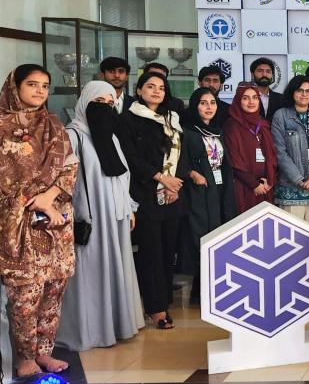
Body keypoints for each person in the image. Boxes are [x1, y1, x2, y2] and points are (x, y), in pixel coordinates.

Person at [0, 65, 78, 376]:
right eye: (32, 84)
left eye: (45, 86)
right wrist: (33, 201)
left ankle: (44, 352)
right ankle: (24, 358)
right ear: (15, 87)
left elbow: (70, 166)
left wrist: (49, 198)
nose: (39, 91)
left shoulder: (55, 125)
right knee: (25, 296)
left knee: (53, 290)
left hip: (55, 221)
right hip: (18, 224)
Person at [57, 81, 144, 351]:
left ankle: (116, 325)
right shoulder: (72, 136)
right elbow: (63, 183)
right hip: (89, 218)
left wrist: (128, 206)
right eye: (99, 103)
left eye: (110, 104)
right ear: (85, 103)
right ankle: (90, 330)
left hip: (115, 216)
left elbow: (122, 176)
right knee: (90, 271)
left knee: (114, 267)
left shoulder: (110, 137)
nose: (105, 109)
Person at [119, 71, 189, 331]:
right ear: (138, 90)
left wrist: (174, 183)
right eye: (150, 87)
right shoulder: (129, 119)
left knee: (168, 252)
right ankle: (155, 309)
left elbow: (181, 153)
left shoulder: (172, 119)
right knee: (151, 253)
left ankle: (164, 303)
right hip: (146, 194)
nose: (156, 91)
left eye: (161, 87)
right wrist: (161, 178)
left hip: (173, 195)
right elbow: (131, 158)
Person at [180, 87, 236, 304]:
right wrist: (192, 173)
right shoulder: (187, 132)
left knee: (219, 233)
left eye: (212, 103)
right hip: (199, 192)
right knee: (200, 236)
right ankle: (200, 290)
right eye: (203, 103)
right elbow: (179, 161)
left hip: (219, 191)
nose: (208, 107)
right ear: (195, 106)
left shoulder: (218, 131)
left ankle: (218, 286)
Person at [271, 76, 309, 229]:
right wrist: (298, 179)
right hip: (290, 187)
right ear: (292, 92)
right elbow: (279, 152)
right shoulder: (281, 115)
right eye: (300, 90)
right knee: (291, 237)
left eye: (308, 91)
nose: (304, 94)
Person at [224, 82, 278, 213]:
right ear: (238, 100)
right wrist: (254, 184)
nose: (251, 102)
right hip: (244, 187)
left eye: (255, 97)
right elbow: (234, 160)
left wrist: (270, 181)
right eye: (245, 98)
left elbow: (272, 155)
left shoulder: (263, 124)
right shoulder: (231, 126)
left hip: (265, 186)